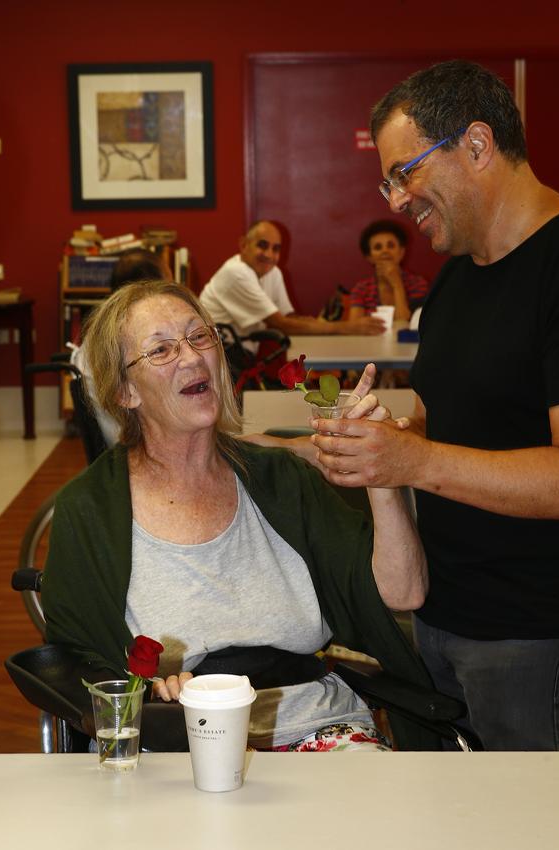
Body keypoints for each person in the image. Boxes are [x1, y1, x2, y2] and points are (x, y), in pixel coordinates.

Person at [311, 60, 559, 751]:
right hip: (442, 614)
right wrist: (383, 440)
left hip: (540, 633)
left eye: (406, 172)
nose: (396, 200)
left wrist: (414, 458)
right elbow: (441, 426)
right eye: (388, 180)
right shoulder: (456, 282)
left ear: (477, 146)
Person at [41, 280, 430, 752]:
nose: (191, 357)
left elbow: (404, 592)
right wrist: (147, 694)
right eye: (161, 350)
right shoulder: (90, 510)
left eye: (198, 336)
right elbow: (77, 664)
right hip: (177, 745)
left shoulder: (281, 481)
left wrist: (381, 477)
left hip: (318, 730)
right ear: (126, 392)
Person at [199, 220, 386, 350]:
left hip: (242, 351)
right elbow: (282, 325)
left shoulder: (272, 271)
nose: (270, 255)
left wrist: (315, 323)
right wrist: (347, 327)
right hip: (219, 353)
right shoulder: (236, 273)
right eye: (262, 245)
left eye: (276, 249)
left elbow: (289, 317)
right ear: (243, 245)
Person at [70, 247, 171, 446]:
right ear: (149, 287)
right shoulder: (132, 335)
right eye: (168, 282)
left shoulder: (103, 328)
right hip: (137, 444)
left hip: (118, 438)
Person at [348, 219, 429, 324]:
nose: (385, 251)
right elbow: (354, 327)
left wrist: (397, 284)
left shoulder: (418, 284)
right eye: (378, 247)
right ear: (369, 257)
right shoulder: (361, 289)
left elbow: (406, 323)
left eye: (390, 245)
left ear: (401, 252)